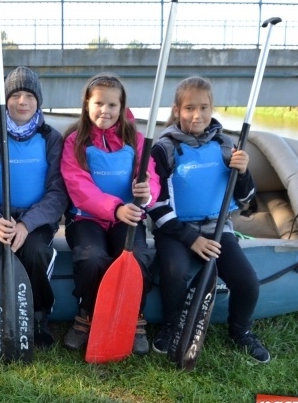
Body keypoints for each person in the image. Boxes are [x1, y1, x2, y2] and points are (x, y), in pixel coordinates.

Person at [148, 75, 270, 363]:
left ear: (212, 108)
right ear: (177, 110)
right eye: (189, 108)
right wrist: (193, 240)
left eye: (204, 108)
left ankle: (240, 331)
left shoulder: (226, 145)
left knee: (248, 282)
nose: (197, 115)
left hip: (218, 228)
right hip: (175, 230)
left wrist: (243, 171)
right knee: (174, 272)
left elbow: (246, 197)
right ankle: (173, 325)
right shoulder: (163, 148)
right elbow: (156, 206)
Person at [0, 66, 69, 358]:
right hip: (0, 217)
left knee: (36, 252)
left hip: (37, 220)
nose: (22, 101)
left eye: (28, 95)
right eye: (15, 95)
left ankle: (37, 318)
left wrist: (27, 225)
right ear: (6, 101)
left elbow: (57, 193)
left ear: (38, 101)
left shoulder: (51, 139)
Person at [60, 73, 159, 356]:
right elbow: (78, 185)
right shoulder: (75, 141)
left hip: (128, 218)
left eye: (112, 105)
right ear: (87, 105)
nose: (105, 111)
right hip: (86, 218)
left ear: (121, 106)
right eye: (99, 103)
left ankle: (135, 316)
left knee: (138, 256)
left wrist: (146, 192)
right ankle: (86, 314)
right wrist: (114, 207)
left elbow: (150, 175)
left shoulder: (137, 139)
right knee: (92, 258)